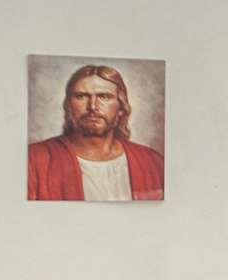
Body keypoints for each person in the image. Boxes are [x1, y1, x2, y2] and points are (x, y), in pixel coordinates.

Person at [27, 63, 166, 201]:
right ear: (69, 106)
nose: (92, 106)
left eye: (104, 97)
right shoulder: (35, 159)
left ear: (121, 108)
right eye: (81, 96)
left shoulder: (152, 162)